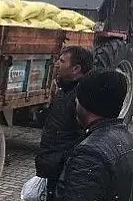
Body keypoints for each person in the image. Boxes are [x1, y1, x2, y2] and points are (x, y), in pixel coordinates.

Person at [54, 70, 133, 200]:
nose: (75, 102)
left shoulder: (89, 154)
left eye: (78, 99)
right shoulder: (127, 139)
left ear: (85, 105)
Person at [35, 46, 93, 200]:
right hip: (53, 168)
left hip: (63, 172)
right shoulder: (65, 90)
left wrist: (63, 162)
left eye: (62, 61)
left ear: (76, 69)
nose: (57, 64)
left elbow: (83, 136)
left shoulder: (81, 98)